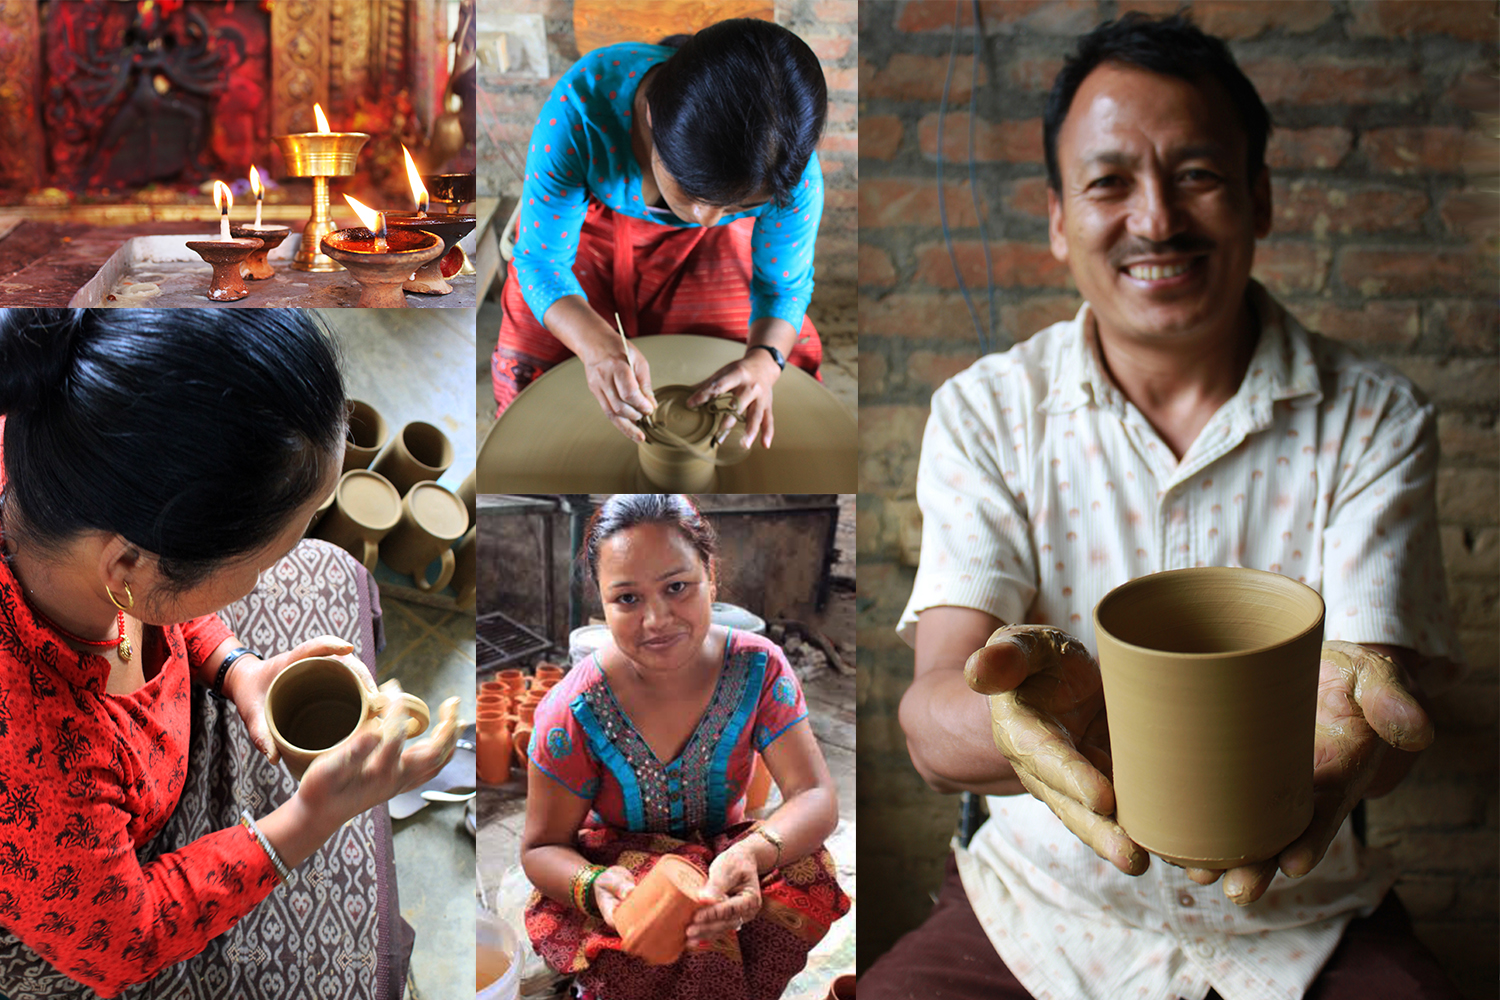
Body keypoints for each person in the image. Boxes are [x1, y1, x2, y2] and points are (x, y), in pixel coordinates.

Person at [865, 14, 1467, 1000]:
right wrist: (1027, 719)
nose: (1156, 220)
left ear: (1259, 198)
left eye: (1197, 175)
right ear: (1058, 218)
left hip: (1298, 916)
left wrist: (1356, 737)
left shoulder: (1374, 418)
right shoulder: (989, 413)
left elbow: (1380, 720)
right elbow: (932, 722)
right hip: (1044, 911)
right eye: (1109, 183)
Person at [0, 309, 460, 998]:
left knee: (334, 571)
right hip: (75, 917)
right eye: (259, 562)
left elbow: (157, 594)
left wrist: (233, 664)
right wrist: (312, 818)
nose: (266, 580)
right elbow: (126, 941)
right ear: (131, 569)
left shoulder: (54, 426)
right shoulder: (41, 762)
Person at [521, 494, 849, 1000]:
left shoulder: (757, 668)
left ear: (710, 577)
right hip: (623, 869)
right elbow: (542, 849)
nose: (656, 619)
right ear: (602, 604)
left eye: (677, 587)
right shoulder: (573, 712)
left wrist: (753, 854)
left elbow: (814, 796)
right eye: (627, 599)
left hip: (727, 855)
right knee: (660, 934)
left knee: (810, 871)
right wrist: (593, 887)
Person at [492, 19, 828, 450]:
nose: (706, 218)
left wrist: (766, 361)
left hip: (722, 246)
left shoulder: (792, 174)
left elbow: (783, 287)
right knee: (533, 347)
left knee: (785, 360)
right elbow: (540, 262)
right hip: (590, 222)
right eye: (692, 192)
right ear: (651, 116)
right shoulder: (582, 107)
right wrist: (595, 345)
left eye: (740, 205)